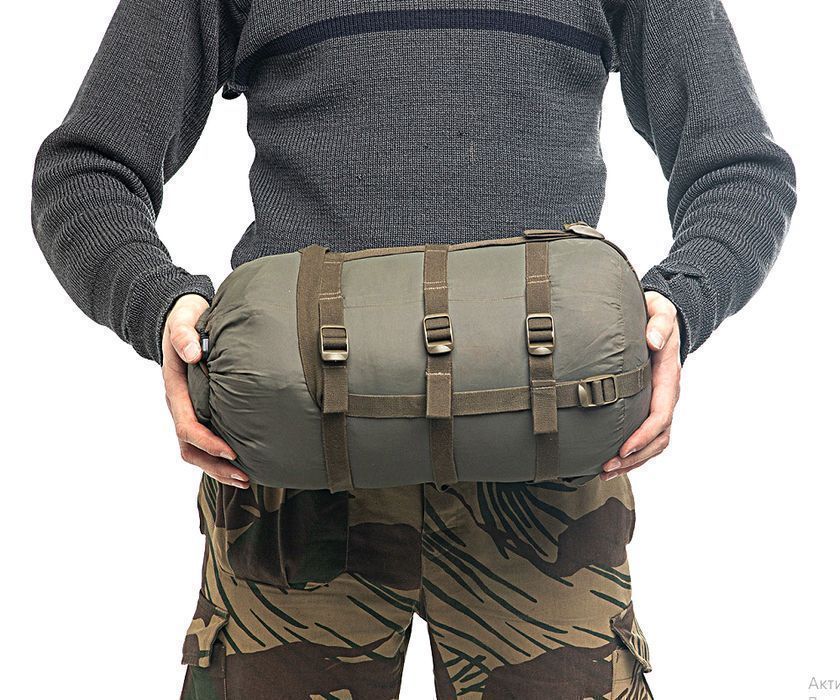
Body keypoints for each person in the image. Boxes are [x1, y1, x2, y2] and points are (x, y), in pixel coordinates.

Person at [31, 0, 796, 697]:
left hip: (546, 461)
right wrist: (162, 307)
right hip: (296, 462)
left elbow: (740, 167)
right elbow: (85, 171)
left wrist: (681, 302)